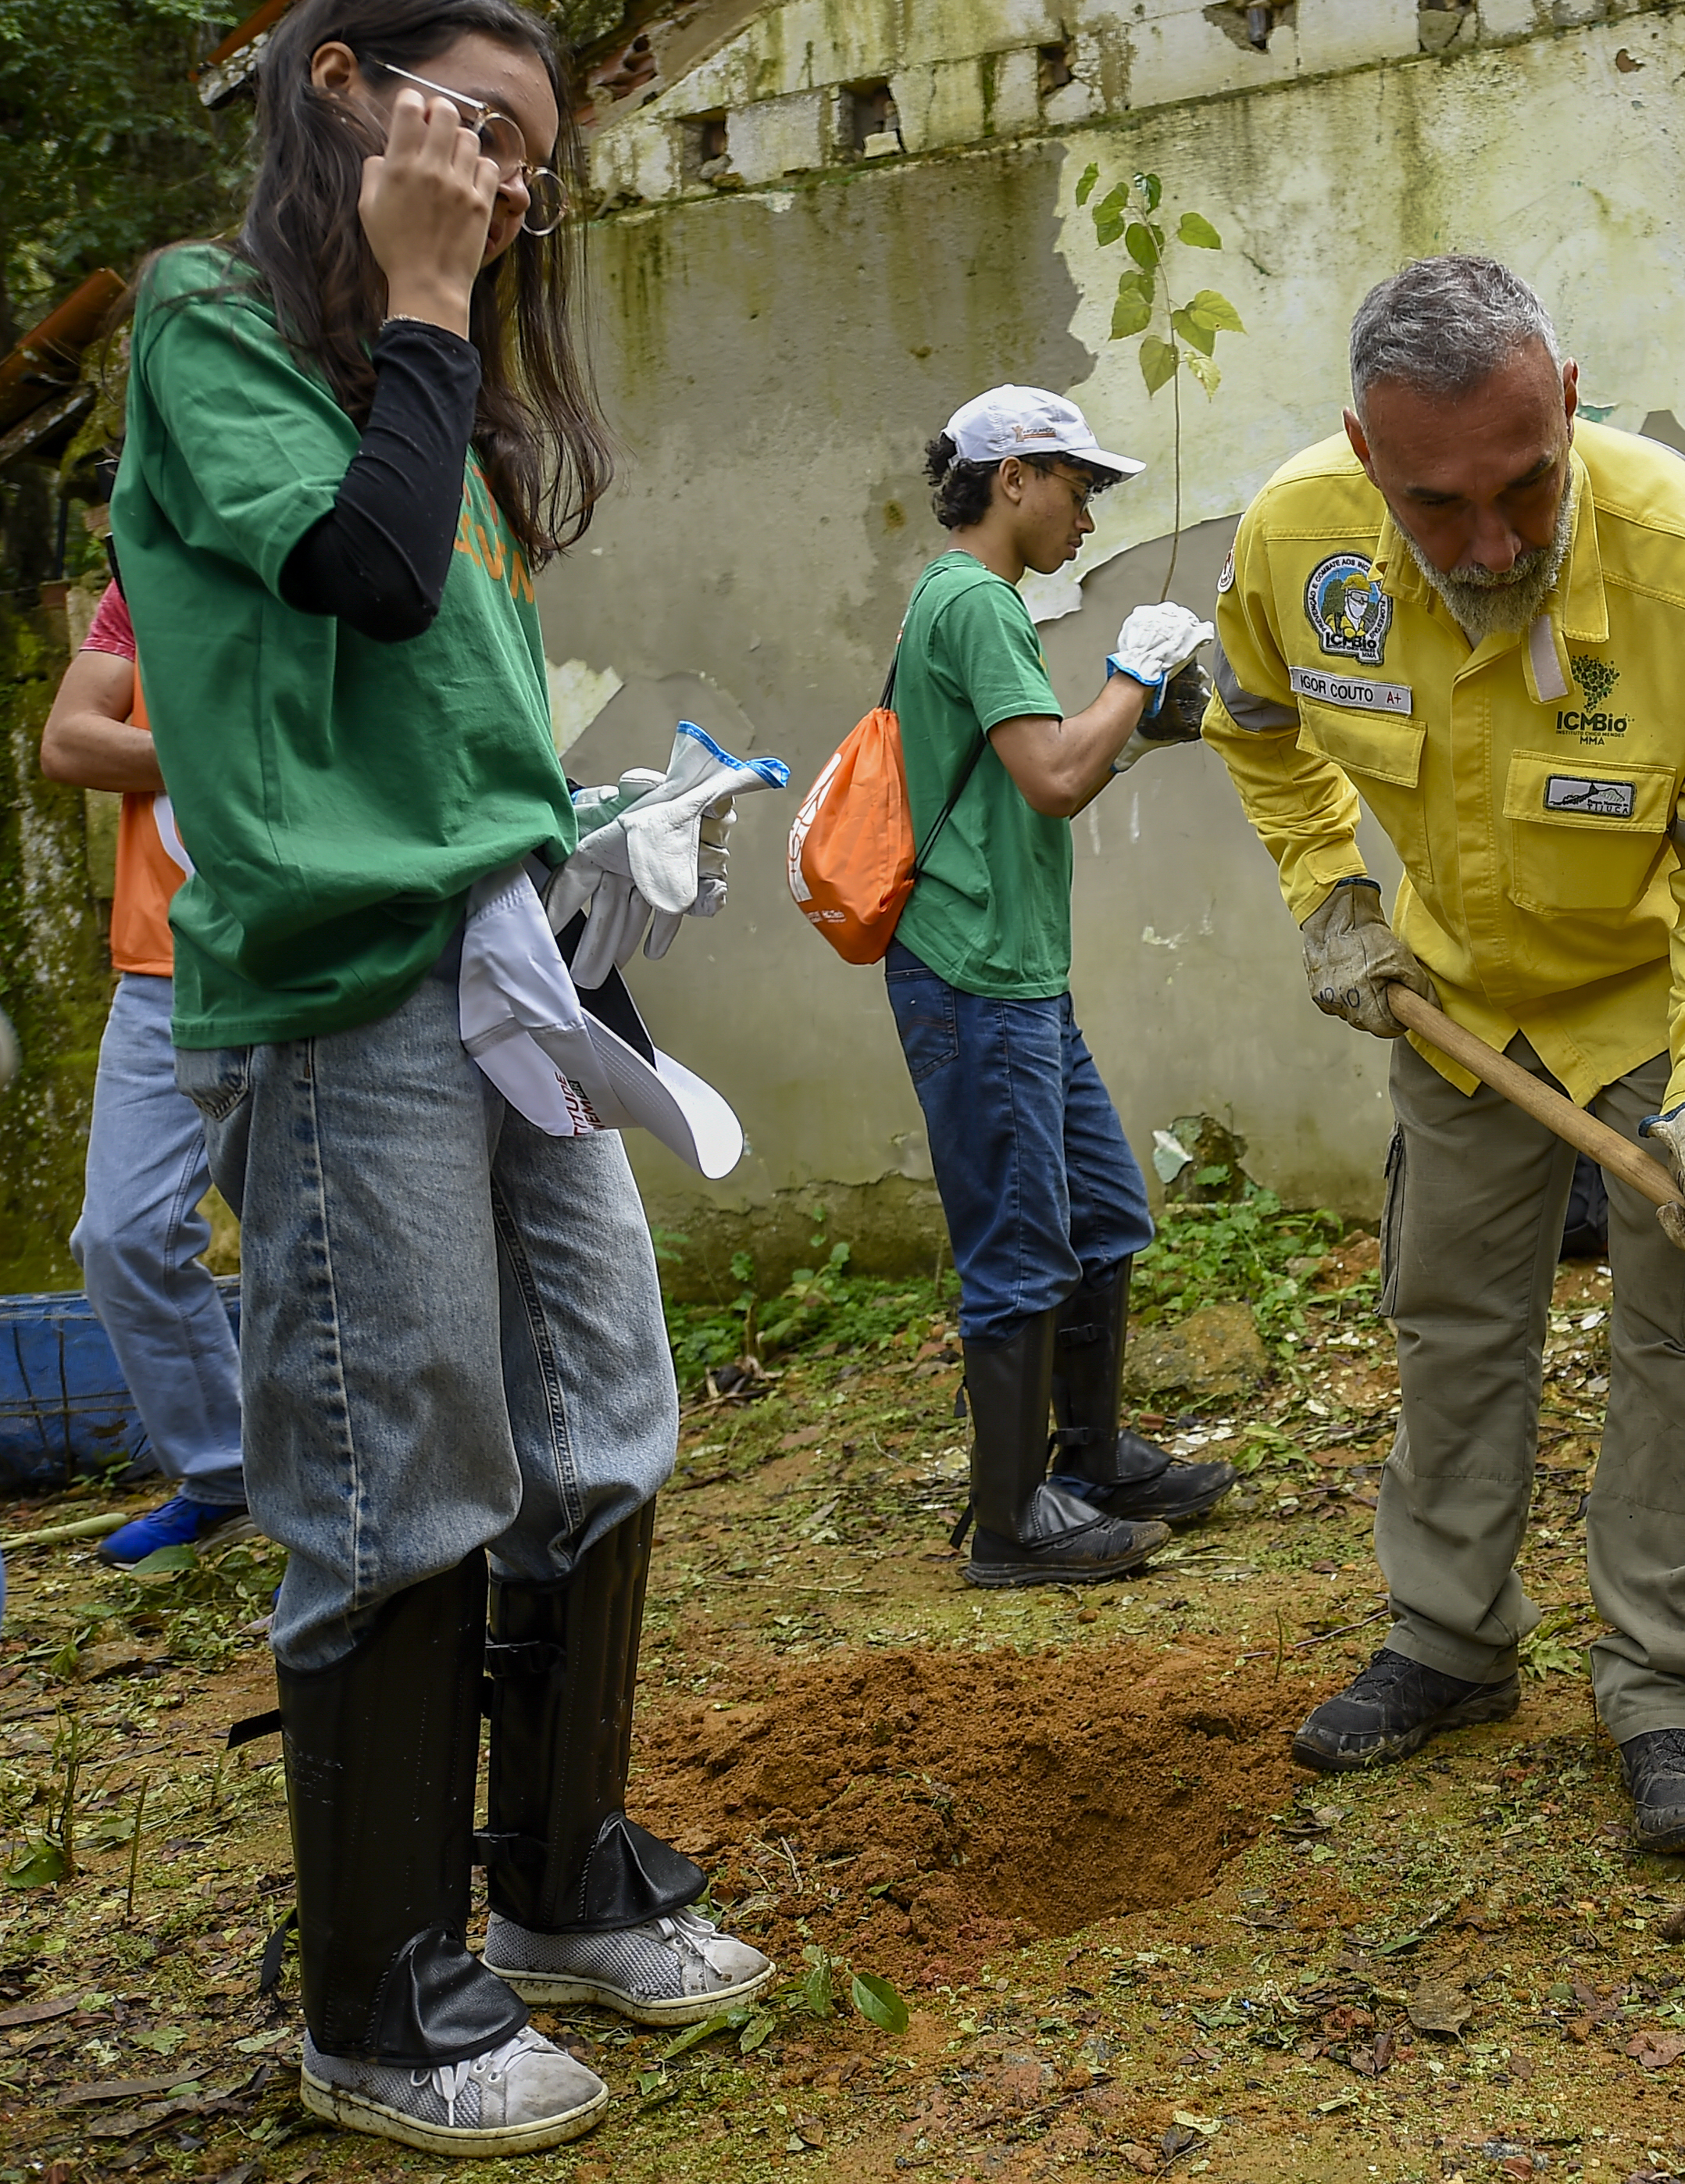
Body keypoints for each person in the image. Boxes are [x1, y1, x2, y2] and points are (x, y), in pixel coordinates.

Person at [116, 0, 769, 2153]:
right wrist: (418, 292)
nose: (503, 189)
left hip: (503, 958)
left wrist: (593, 843)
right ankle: (379, 2000)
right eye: (475, 133)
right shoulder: (215, 323)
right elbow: (367, 584)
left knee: (603, 1414)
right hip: (343, 981)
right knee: (406, 1461)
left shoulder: (438, 391)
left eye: (528, 164)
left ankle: (558, 1881)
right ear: (339, 87)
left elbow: (452, 710)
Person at [1208, 254, 1685, 1855]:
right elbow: (1252, 722)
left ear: (1570, 403)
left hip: (1663, 997)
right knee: (1450, 1315)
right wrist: (1333, 894)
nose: (1491, 541)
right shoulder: (1296, 541)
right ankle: (1448, 1635)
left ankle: (1673, 1686)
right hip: (1463, 1005)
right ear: (1365, 456)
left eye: (1525, 485)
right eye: (1436, 504)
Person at [884, 384, 1233, 1589]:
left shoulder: (977, 605)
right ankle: (1009, 1521)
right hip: (973, 967)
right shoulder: (974, 599)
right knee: (1022, 1241)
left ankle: (1086, 1463)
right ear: (1014, 476)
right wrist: (1134, 673)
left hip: (1017, 968)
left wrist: (1136, 725)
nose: (1088, 513)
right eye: (1078, 486)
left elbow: (1026, 770)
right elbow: (1050, 777)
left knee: (1100, 1212)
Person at [39, 574, 253, 1566]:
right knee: (121, 1236)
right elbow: (71, 740)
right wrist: (208, 760)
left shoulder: (336, 555)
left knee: (319, 1244)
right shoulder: (145, 592)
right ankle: (227, 1475)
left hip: (316, 960)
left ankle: (351, 1492)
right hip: (160, 972)